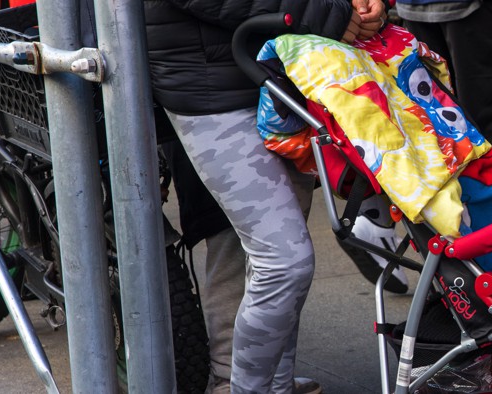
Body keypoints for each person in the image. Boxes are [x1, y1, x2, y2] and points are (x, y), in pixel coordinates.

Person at [142, 0, 387, 393]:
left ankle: (275, 383)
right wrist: (325, 11)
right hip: (213, 87)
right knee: (284, 261)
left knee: (278, 260)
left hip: (281, 72)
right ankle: (239, 384)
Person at [338, 0, 492, 293]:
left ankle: (449, 275)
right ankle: (489, 286)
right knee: (490, 162)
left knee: (432, 142)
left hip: (414, 10)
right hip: (476, 11)